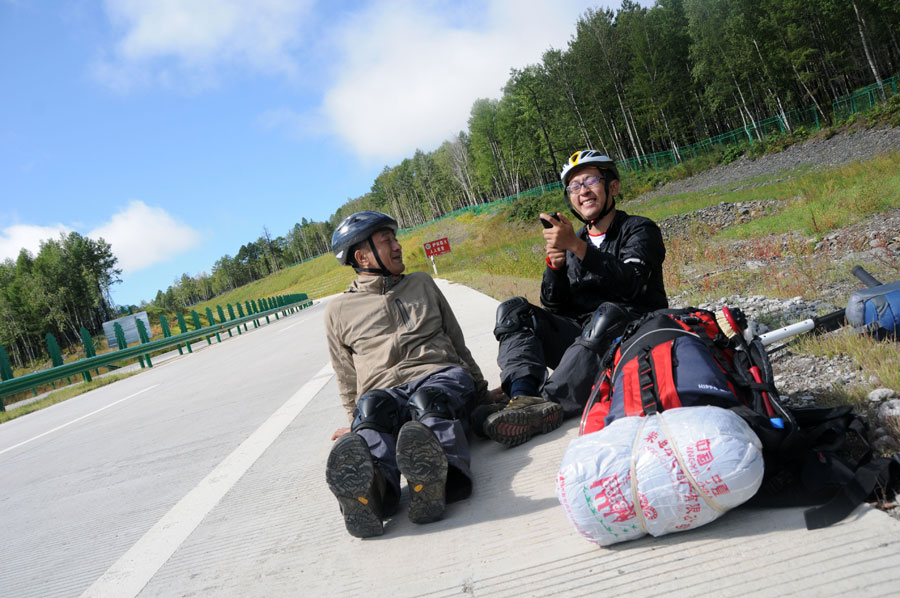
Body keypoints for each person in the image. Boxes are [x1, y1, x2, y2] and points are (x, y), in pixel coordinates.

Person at [484, 150, 668, 447]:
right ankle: (521, 394)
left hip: (632, 339)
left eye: (590, 180)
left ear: (613, 187)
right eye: (574, 186)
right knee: (515, 311)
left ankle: (546, 402)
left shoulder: (639, 229)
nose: (582, 190)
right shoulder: (573, 241)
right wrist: (554, 267)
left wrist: (578, 248)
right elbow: (556, 309)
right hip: (585, 349)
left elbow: (633, 284)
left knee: (608, 315)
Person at [324, 210, 488, 538]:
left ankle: (443, 478)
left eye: (395, 239)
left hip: (438, 377)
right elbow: (346, 376)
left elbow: (456, 341)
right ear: (362, 256)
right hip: (384, 393)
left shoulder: (422, 283)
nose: (398, 246)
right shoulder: (338, 311)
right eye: (387, 241)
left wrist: (483, 393)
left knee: (428, 402)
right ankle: (373, 495)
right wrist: (356, 421)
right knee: (373, 411)